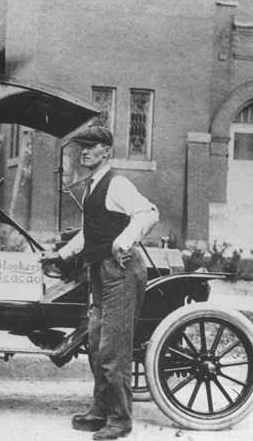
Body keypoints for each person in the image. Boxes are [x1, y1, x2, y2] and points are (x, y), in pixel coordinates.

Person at [40, 126, 158, 440]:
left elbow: (148, 213)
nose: (85, 151)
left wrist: (124, 241)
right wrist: (61, 255)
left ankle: (120, 420)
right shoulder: (94, 187)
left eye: (93, 146)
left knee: (112, 349)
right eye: (82, 147)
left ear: (107, 150)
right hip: (101, 272)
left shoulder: (116, 183)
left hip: (121, 272)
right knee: (95, 343)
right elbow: (89, 233)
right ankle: (100, 411)